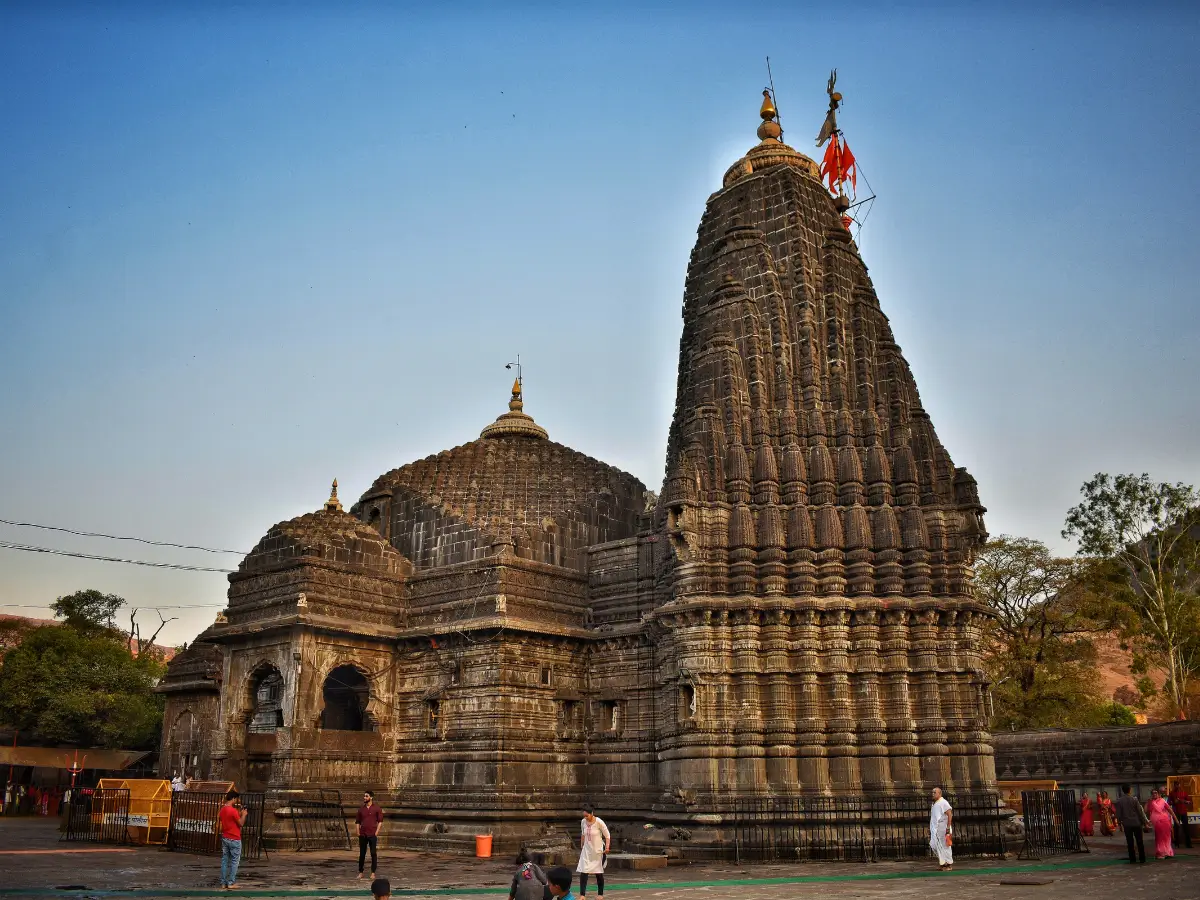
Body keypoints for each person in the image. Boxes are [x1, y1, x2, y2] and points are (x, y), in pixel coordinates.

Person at [217, 790, 247, 889]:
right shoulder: (233, 811)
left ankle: (222, 882)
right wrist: (244, 815)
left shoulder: (222, 810)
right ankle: (230, 882)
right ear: (233, 798)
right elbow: (241, 823)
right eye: (236, 799)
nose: (236, 801)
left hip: (225, 837)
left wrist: (239, 814)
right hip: (234, 838)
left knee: (225, 860)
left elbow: (228, 820)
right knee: (235, 861)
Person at [577, 807, 610, 899]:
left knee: (598, 872)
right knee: (584, 871)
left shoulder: (599, 822)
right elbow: (583, 834)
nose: (585, 817)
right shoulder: (583, 822)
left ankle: (600, 894)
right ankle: (582, 895)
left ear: (591, 813)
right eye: (584, 816)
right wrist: (582, 845)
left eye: (587, 815)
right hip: (587, 850)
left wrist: (607, 847)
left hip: (598, 850)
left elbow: (607, 835)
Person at [1114, 784, 1148, 863]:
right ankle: (1142, 858)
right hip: (1136, 823)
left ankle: (1132, 859)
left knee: (1130, 842)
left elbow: (1118, 814)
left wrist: (1119, 824)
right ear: (1130, 790)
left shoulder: (1119, 801)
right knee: (1139, 841)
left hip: (1127, 824)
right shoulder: (1134, 799)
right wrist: (1145, 822)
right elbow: (1140, 812)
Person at [356, 790, 384, 881]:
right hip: (363, 834)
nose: (364, 798)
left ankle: (373, 872)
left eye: (366, 796)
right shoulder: (361, 809)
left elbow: (380, 821)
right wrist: (358, 832)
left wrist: (376, 832)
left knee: (373, 853)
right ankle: (360, 872)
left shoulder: (377, 808)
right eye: (364, 796)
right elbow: (358, 822)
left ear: (371, 797)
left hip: (372, 834)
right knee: (362, 854)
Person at [1146, 788, 1176, 859]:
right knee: (1159, 838)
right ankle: (1162, 852)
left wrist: (1176, 820)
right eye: (1153, 793)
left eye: (1156, 793)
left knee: (1166, 837)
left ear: (1159, 794)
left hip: (1165, 821)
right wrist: (1148, 803)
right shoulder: (1151, 802)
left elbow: (1169, 810)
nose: (1154, 794)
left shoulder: (1162, 801)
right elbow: (1146, 811)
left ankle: (1167, 852)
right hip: (1157, 823)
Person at [929, 787, 953, 870]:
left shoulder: (943, 802)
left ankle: (948, 864)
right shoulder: (934, 803)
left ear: (939, 793)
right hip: (936, 828)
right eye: (932, 792)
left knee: (945, 846)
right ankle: (943, 862)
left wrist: (948, 827)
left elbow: (949, 814)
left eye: (934, 792)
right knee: (934, 845)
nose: (933, 794)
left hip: (943, 828)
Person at [1169, 782, 1193, 849]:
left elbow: (1189, 801)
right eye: (1176, 785)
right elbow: (1168, 802)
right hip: (1176, 812)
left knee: (1186, 828)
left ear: (1180, 785)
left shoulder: (1183, 792)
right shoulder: (1171, 793)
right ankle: (1177, 844)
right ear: (1174, 786)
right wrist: (1174, 802)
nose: (1177, 786)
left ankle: (1188, 844)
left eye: (1178, 785)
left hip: (1184, 812)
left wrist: (1185, 801)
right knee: (1176, 828)